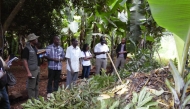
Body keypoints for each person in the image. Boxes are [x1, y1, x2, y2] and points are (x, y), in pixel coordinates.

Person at [22, 33, 40, 99]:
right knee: (31, 86)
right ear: (32, 40)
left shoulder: (35, 47)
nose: (37, 39)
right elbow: (24, 60)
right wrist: (28, 72)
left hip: (37, 69)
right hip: (32, 70)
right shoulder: (26, 49)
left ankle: (36, 99)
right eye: (36, 39)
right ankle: (32, 101)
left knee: (36, 85)